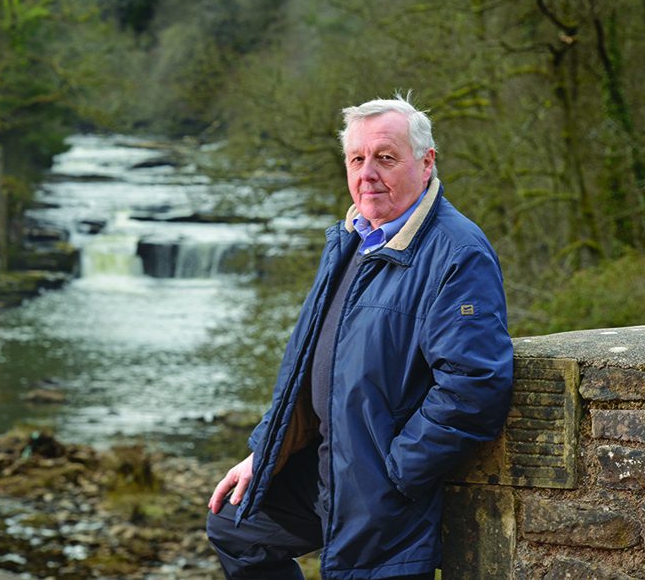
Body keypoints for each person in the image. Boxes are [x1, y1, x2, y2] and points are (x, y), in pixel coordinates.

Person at [206, 94, 514, 579]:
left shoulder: (457, 252)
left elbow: (475, 384)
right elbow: (306, 367)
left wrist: (396, 472)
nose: (367, 172)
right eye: (357, 158)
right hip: (329, 462)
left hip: (382, 483)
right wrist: (265, 454)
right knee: (236, 526)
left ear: (426, 161)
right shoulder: (350, 238)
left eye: (385, 158)